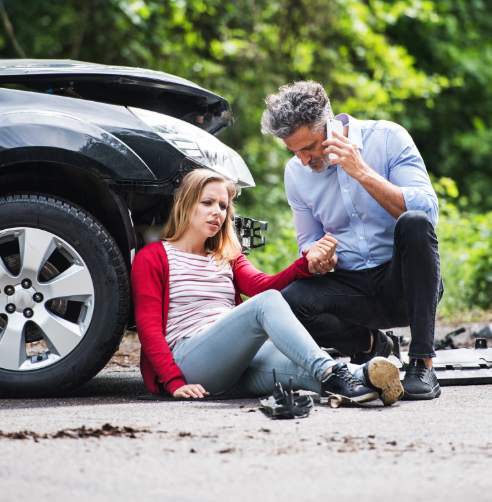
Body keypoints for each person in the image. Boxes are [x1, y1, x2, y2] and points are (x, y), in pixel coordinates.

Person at [131, 168, 403, 405]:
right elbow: (149, 328)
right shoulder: (154, 257)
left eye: (223, 206)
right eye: (208, 203)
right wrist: (174, 381)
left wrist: (305, 265)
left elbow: (262, 286)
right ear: (186, 204)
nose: (217, 212)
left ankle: (366, 378)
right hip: (191, 362)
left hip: (233, 364)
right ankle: (335, 375)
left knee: (301, 362)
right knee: (267, 305)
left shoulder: (227, 256)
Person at [260, 81, 444, 400]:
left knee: (413, 222)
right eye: (295, 152)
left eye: (309, 148)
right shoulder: (296, 174)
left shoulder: (388, 137)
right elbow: (308, 242)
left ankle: (422, 364)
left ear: (332, 129)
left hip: (402, 283)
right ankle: (368, 344)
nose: (304, 160)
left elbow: (427, 212)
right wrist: (317, 258)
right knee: (286, 302)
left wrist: (361, 172)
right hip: (350, 289)